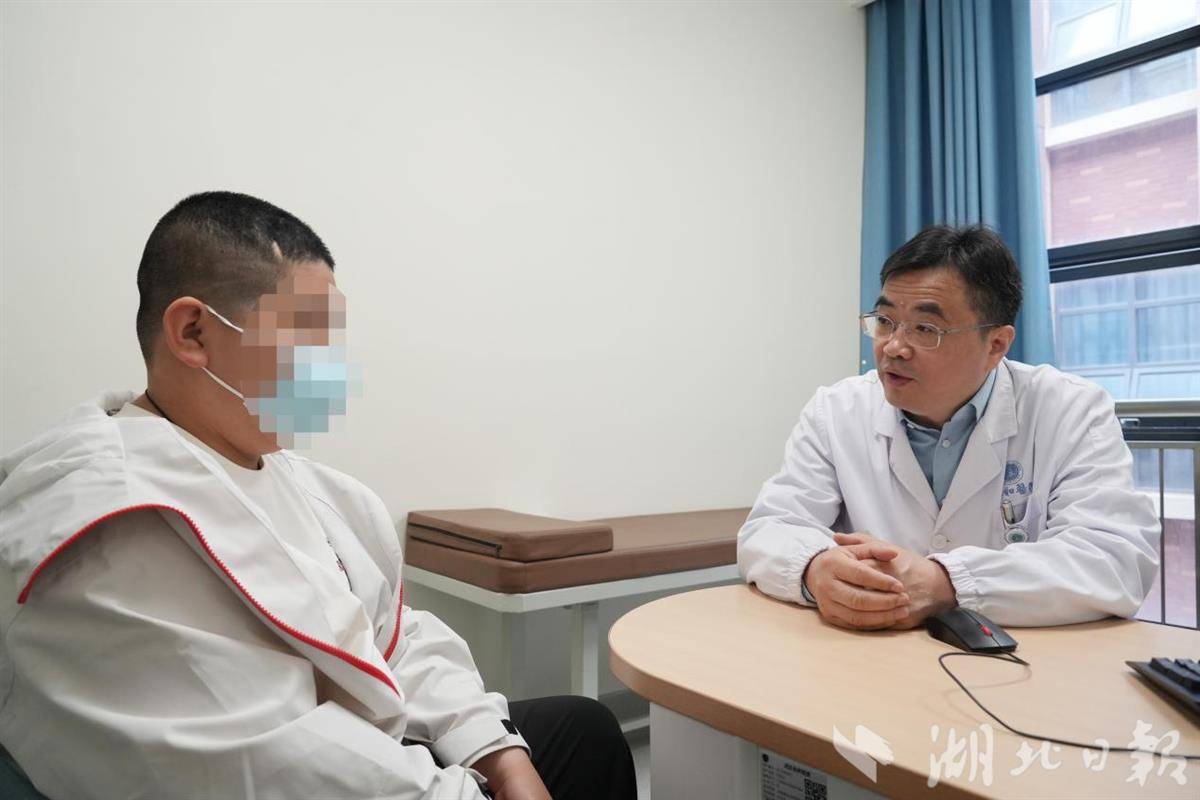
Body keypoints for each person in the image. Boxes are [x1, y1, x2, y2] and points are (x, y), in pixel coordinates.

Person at [0, 192, 637, 800]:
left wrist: (495, 752)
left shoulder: (302, 482)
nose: (327, 367)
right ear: (193, 333)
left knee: (584, 728)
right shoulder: (104, 523)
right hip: (312, 774)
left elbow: (395, 636)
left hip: (369, 740)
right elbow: (262, 765)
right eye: (304, 334)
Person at [738, 224, 1159, 630]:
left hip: (1024, 659)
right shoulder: (836, 410)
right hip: (866, 654)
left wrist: (946, 583)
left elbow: (1114, 560)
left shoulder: (1070, 409)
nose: (893, 347)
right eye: (884, 322)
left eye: (926, 329)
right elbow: (770, 528)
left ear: (996, 344)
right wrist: (813, 568)